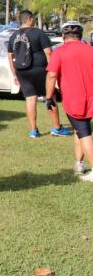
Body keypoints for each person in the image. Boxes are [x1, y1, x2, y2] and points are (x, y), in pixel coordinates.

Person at [7, 10, 71, 139]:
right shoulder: (38, 33)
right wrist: (53, 70)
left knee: (30, 98)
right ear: (29, 19)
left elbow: (10, 56)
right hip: (40, 70)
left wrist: (15, 74)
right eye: (33, 18)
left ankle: (33, 130)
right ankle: (57, 128)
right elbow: (48, 52)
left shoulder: (13, 35)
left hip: (21, 71)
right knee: (50, 97)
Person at [45, 21, 93, 180]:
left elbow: (51, 75)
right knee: (80, 129)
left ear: (63, 35)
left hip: (74, 99)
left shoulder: (59, 52)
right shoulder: (90, 49)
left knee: (84, 133)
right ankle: (79, 163)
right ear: (80, 35)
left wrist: (48, 98)